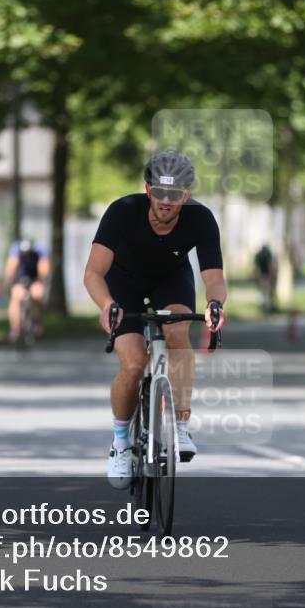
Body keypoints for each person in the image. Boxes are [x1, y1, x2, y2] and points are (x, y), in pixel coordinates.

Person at [83, 151, 227, 489]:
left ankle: (180, 425)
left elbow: (214, 276)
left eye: (174, 195)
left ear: (185, 196)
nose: (165, 201)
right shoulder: (122, 212)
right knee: (133, 364)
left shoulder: (201, 219)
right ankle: (120, 442)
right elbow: (92, 272)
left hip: (170, 279)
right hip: (122, 283)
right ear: (148, 190)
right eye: (159, 193)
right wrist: (106, 304)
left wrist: (215, 303)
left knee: (178, 332)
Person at [6, 239, 49, 342]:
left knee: (38, 295)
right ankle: (15, 328)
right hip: (20, 278)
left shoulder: (40, 251)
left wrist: (40, 282)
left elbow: (44, 269)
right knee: (16, 297)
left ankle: (36, 322)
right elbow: (11, 268)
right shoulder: (16, 250)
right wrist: (11, 282)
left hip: (34, 278)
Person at [253, 244, 276, 313]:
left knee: (264, 292)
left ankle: (266, 307)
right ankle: (267, 307)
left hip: (262, 276)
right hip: (266, 276)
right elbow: (270, 267)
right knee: (266, 292)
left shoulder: (259, 256)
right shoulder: (268, 256)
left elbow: (256, 267)